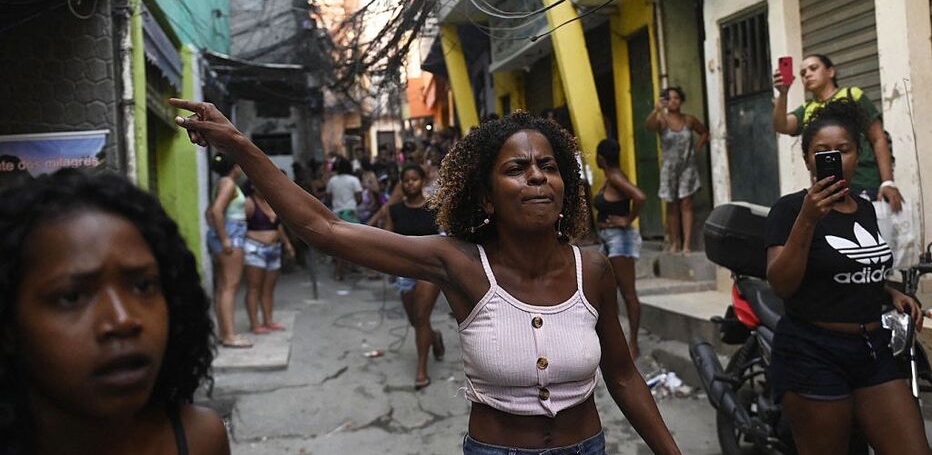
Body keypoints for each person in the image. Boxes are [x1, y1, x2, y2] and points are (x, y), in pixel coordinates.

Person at [171, 99, 682, 455]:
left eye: (547, 166)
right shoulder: (457, 264)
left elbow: (622, 375)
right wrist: (240, 145)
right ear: (485, 197)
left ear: (564, 184)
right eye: (517, 168)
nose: (536, 176)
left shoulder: (592, 269)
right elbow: (323, 228)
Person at [0, 170, 229, 454]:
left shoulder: (199, 440)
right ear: (9, 325)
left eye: (144, 286)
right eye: (71, 297)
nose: (122, 320)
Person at [764, 99, 928, 454]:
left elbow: (851, 266)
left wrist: (889, 292)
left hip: (873, 349)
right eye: (823, 151)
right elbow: (781, 283)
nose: (834, 158)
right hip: (812, 351)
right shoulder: (789, 209)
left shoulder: (865, 207)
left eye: (844, 149)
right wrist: (808, 218)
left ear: (858, 154)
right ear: (808, 159)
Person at [772, 53, 903, 212]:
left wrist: (888, 182)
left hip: (866, 185)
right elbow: (781, 125)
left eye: (813, 68)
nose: (807, 74)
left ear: (831, 72)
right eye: (802, 73)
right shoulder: (807, 109)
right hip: (827, 191)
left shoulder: (852, 95)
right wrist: (783, 93)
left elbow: (878, 138)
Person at [382, 163, 445, 390]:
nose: (410, 184)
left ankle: (421, 369)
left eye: (414, 179)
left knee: (420, 318)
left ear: (423, 180)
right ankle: (435, 337)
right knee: (415, 320)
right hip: (404, 271)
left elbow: (445, 239)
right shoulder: (395, 210)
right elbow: (386, 240)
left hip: (429, 271)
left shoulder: (434, 207)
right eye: (406, 180)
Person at [594, 139, 647, 361]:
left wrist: (628, 219)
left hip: (620, 241)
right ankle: (616, 342)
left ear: (601, 159)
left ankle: (633, 344)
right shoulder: (612, 177)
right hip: (609, 239)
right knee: (609, 292)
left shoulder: (615, 177)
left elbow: (640, 196)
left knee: (628, 293)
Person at [645, 86, 709, 253]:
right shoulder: (663, 120)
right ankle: (675, 242)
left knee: (687, 204)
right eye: (670, 98)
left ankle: (687, 244)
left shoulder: (689, 120)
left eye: (676, 98)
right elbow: (650, 126)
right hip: (669, 168)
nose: (673, 101)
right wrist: (656, 110)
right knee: (672, 206)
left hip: (687, 167)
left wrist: (696, 149)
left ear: (681, 101)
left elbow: (704, 133)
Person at [206, 153, 251, 348]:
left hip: (227, 232)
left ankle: (224, 333)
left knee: (223, 286)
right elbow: (216, 211)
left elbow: (210, 213)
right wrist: (225, 238)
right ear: (234, 168)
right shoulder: (229, 184)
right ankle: (230, 335)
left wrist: (217, 232)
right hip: (232, 234)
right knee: (230, 287)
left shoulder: (221, 183)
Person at [243, 181, 295, 335]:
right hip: (255, 248)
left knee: (268, 289)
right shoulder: (249, 202)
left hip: (274, 248)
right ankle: (255, 323)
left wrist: (287, 244)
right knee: (254, 288)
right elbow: (238, 226)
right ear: (253, 185)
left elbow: (278, 227)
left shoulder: (272, 202)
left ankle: (268, 320)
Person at [325, 156, 362, 281]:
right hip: (350, 213)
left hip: (336, 215)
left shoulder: (332, 180)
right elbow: (359, 198)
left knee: (341, 244)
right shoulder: (354, 180)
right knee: (357, 243)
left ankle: (342, 271)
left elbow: (328, 198)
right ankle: (343, 270)